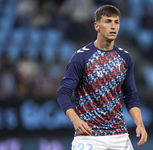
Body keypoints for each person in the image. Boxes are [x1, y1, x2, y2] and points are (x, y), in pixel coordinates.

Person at [57, 5, 147, 150]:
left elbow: (130, 96)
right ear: (96, 26)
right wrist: (76, 121)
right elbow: (63, 94)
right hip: (89, 136)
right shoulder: (81, 57)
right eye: (108, 21)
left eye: (116, 22)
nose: (113, 26)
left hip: (119, 136)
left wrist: (140, 124)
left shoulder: (125, 58)